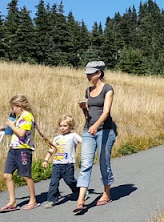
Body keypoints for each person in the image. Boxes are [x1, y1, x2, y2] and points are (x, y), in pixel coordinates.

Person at [74, 61, 116, 213]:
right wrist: (84, 109)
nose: (88, 76)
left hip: (105, 130)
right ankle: (80, 200)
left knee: (104, 163)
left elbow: (106, 112)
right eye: (87, 74)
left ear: (98, 73)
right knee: (86, 163)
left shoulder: (108, 89)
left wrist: (96, 125)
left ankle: (106, 193)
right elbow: (88, 116)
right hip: (88, 130)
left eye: (90, 74)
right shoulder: (88, 91)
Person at [0, 94, 40, 212]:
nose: (12, 110)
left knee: (26, 175)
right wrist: (4, 128)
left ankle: (33, 200)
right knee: (7, 175)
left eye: (13, 107)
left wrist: (11, 125)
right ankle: (12, 201)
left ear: (19, 106)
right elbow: (14, 132)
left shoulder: (27, 117)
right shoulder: (19, 117)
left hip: (23, 149)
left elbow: (21, 134)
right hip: (13, 148)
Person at [42, 115, 82, 208]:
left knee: (70, 181)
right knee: (53, 182)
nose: (62, 128)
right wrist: (46, 160)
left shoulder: (73, 136)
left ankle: (80, 190)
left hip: (68, 163)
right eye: (60, 126)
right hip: (57, 164)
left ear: (70, 126)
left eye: (65, 126)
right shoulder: (57, 138)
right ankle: (51, 200)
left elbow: (83, 141)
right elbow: (51, 149)